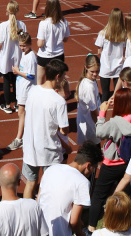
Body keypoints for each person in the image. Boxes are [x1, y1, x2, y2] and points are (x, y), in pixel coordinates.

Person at [90, 87, 131, 229]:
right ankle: (127, 222)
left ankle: (91, 227)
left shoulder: (115, 122)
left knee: (99, 195)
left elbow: (99, 132)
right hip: (130, 163)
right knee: (126, 194)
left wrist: (102, 113)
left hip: (112, 163)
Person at [21, 59, 71, 199]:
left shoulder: (33, 90)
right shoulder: (59, 101)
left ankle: (27, 211)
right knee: (48, 186)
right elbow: (64, 130)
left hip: (30, 148)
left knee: (30, 183)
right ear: (57, 76)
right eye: (63, 75)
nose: (64, 78)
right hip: (49, 150)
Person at [8, 32, 37, 150]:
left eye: (24, 45)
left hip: (27, 89)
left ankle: (19, 139)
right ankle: (26, 137)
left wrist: (17, 72)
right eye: (20, 45)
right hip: (22, 88)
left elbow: (31, 75)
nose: (22, 48)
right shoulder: (25, 54)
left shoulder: (31, 57)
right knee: (23, 113)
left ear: (30, 44)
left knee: (22, 113)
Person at [0, 0, 25, 113]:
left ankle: (7, 105)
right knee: (17, 81)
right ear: (17, 11)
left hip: (6, 58)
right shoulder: (22, 25)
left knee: (6, 81)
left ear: (7, 10)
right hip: (18, 57)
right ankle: (17, 104)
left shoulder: (3, 26)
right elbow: (24, 40)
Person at [94, 8, 128, 101]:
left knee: (105, 94)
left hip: (105, 66)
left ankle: (102, 110)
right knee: (118, 94)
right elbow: (125, 49)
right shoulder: (124, 33)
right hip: (118, 66)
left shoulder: (103, 33)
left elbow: (99, 50)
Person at [35, 0, 69, 85]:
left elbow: (40, 44)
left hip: (45, 56)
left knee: (39, 82)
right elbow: (65, 39)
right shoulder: (64, 21)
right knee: (57, 82)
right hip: (59, 55)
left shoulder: (43, 23)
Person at [76, 53, 101, 144]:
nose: (95, 74)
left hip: (88, 123)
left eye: (97, 71)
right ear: (86, 67)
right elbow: (93, 111)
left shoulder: (89, 81)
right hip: (90, 126)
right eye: (92, 71)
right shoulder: (89, 87)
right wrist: (99, 125)